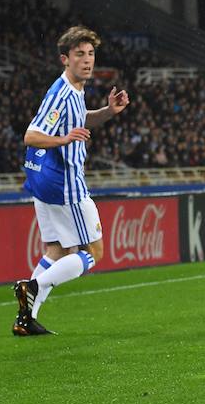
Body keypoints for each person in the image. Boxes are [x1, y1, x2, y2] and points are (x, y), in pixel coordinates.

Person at [12, 26, 130, 335]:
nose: (87, 60)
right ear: (65, 59)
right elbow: (31, 135)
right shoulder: (62, 93)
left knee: (57, 250)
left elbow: (79, 119)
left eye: (91, 54)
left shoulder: (74, 90)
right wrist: (64, 139)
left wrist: (107, 111)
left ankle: (25, 319)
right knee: (94, 252)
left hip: (41, 179)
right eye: (80, 54)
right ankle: (32, 286)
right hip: (64, 183)